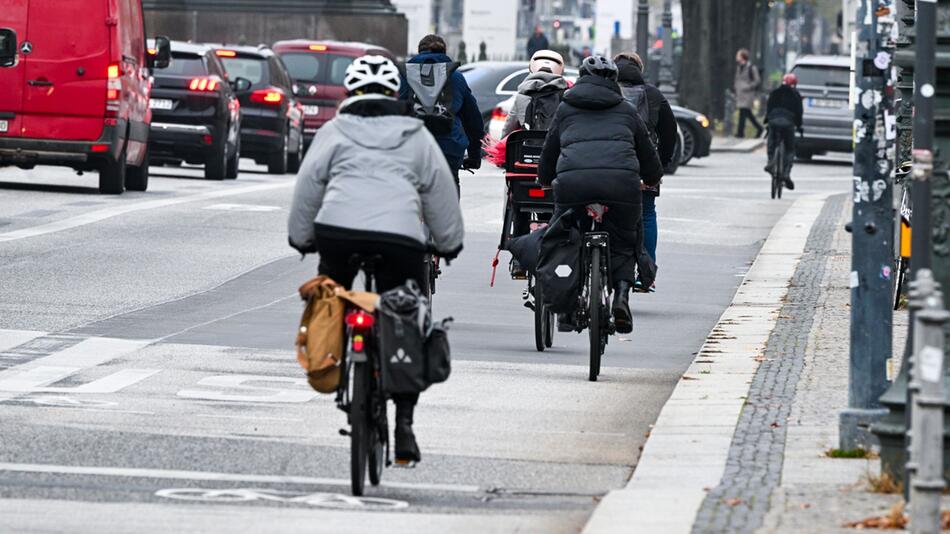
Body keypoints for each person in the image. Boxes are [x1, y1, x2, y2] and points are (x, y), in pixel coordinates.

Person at [288, 55, 464, 465]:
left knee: (330, 294)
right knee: (407, 312)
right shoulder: (416, 135)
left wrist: (302, 238)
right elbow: (439, 193)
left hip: (337, 233)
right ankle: (403, 422)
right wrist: (448, 243)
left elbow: (308, 188)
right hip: (399, 238)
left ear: (350, 93)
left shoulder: (333, 132)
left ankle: (330, 359)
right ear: (394, 94)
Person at [538, 55, 663, 334]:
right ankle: (621, 294)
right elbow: (647, 153)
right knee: (626, 238)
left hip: (573, 184)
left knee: (566, 237)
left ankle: (568, 309)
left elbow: (550, 150)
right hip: (621, 184)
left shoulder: (566, 108)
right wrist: (652, 178)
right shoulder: (627, 110)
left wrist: (545, 179)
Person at [614, 52, 678, 291]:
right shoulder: (653, 94)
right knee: (647, 214)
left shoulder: (604, 89)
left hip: (610, 166)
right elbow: (669, 133)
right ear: (639, 70)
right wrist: (661, 164)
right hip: (643, 166)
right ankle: (646, 272)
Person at [400, 34, 484, 188]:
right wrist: (474, 154)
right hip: (449, 148)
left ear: (419, 53)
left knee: (409, 189)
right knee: (450, 189)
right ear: (444, 53)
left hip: (413, 147)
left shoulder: (405, 76)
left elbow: (395, 112)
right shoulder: (456, 77)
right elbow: (473, 120)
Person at [501, 50, 568, 137]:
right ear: (561, 70)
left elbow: (508, 129)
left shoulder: (522, 96)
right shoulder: (566, 95)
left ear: (531, 67)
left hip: (527, 148)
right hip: (556, 149)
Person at [764, 73, 803, 190]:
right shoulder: (796, 95)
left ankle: (771, 162)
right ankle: (786, 173)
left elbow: (769, 107)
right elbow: (799, 113)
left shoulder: (775, 92)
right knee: (790, 149)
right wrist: (799, 126)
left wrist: (767, 121)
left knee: (771, 142)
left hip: (774, 120)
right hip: (788, 122)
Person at [734, 48, 763, 138]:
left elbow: (757, 80)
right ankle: (758, 129)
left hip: (748, 94)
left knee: (744, 113)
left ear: (742, 57)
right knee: (746, 113)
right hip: (740, 94)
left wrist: (748, 86)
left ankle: (740, 133)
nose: (736, 57)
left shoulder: (751, 68)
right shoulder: (739, 67)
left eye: (738, 55)